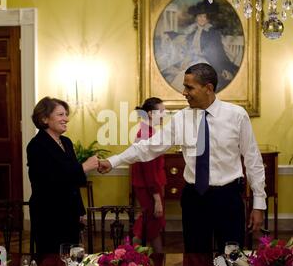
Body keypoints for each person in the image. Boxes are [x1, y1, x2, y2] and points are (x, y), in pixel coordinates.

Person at [99, 63, 266, 253]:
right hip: (194, 199)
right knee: (195, 260)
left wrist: (259, 204)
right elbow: (148, 147)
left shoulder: (237, 115)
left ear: (208, 88)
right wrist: (113, 161)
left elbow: (253, 160)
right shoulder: (181, 118)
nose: (184, 92)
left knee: (232, 260)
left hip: (228, 199)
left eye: (189, 87)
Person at [27, 97, 99, 254]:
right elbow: (49, 181)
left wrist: (80, 211)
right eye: (60, 114)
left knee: (70, 259)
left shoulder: (66, 142)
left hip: (69, 212)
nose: (66, 119)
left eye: (66, 114)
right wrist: (84, 167)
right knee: (51, 261)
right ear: (44, 118)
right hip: (48, 214)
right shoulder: (36, 146)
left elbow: (75, 181)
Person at [171, 0, 239, 91]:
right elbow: (188, 50)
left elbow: (219, 52)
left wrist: (222, 68)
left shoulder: (212, 33)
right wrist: (185, 61)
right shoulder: (193, 32)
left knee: (196, 78)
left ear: (208, 19)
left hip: (207, 62)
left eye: (205, 17)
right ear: (196, 17)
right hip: (193, 61)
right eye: (200, 16)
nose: (202, 19)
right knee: (182, 76)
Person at [131, 97, 167, 253]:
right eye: (162, 111)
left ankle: (131, 256)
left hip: (149, 186)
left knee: (148, 223)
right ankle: (157, 263)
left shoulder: (148, 131)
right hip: (149, 187)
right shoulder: (147, 134)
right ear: (151, 114)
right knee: (152, 225)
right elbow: (149, 169)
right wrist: (156, 197)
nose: (164, 115)